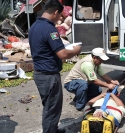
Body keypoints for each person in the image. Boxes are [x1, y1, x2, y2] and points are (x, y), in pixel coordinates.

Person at [28, 0, 81, 133]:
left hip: (40, 73)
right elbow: (62, 54)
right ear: (56, 12)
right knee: (52, 109)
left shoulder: (34, 26)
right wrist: (75, 50)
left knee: (49, 107)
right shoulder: (49, 29)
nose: (60, 19)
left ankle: (52, 129)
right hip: (49, 75)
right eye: (60, 16)